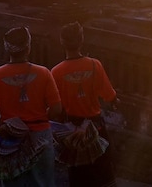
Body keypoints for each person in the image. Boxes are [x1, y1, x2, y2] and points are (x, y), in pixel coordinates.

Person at [0, 26, 62, 186]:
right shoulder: (44, 73)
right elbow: (57, 109)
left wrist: (3, 106)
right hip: (40, 137)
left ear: (7, 49)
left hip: (10, 139)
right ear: (28, 47)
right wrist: (40, 116)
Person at [50, 21, 118, 187]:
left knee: (79, 177)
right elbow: (110, 96)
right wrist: (116, 102)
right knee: (104, 175)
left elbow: (55, 108)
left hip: (72, 133)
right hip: (96, 128)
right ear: (82, 40)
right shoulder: (95, 65)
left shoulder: (56, 72)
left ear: (61, 41)